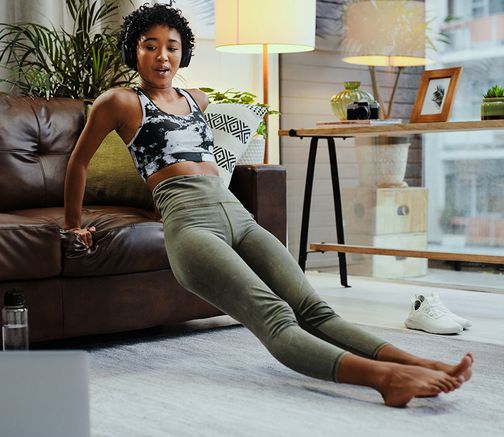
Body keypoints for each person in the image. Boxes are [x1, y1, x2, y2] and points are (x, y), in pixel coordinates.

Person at [63, 3, 472, 407]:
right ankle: (386, 379)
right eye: (149, 46)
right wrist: (73, 225)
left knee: (314, 309)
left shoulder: (198, 100)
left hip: (238, 215)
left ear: (184, 51)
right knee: (275, 317)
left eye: (171, 46)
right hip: (192, 229)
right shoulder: (119, 101)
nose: (162, 56)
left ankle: (416, 362)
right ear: (133, 51)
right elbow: (79, 163)